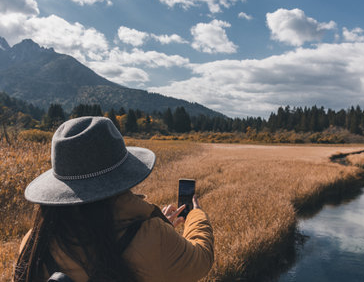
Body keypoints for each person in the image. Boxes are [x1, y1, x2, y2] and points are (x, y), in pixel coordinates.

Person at [14, 116, 214, 282]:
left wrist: (151, 228)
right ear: (121, 173)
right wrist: (196, 214)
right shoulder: (154, 237)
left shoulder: (34, 242)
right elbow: (201, 260)